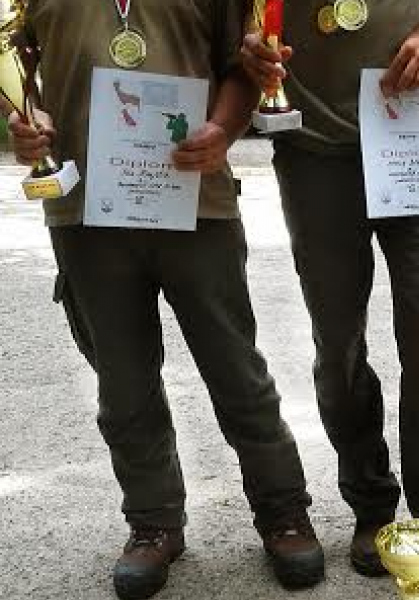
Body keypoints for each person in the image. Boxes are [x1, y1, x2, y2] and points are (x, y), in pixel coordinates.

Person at [8, 1, 324, 598]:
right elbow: (17, 65)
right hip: (84, 208)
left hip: (196, 198)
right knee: (124, 384)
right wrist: (25, 124)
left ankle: (283, 511)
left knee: (237, 370)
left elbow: (243, 64)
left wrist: (223, 131)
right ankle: (153, 524)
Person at [240, 1, 419, 597]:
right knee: (338, 342)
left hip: (411, 131)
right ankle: (371, 505)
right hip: (312, 151)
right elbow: (237, 20)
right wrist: (249, 44)